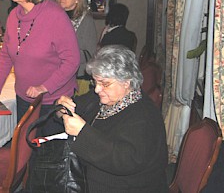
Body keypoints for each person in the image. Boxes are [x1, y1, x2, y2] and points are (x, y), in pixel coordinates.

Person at [0, 0, 80, 136]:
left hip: (54, 100)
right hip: (24, 97)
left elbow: (72, 61)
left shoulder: (55, 15)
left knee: (47, 156)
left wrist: (44, 87)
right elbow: (6, 55)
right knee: (26, 153)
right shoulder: (14, 15)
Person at [57, 45, 168, 192]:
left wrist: (82, 132)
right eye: (95, 82)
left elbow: (125, 160)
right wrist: (61, 108)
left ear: (126, 81)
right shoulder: (102, 98)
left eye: (105, 84)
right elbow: (70, 108)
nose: (97, 89)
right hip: (84, 177)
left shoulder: (144, 116)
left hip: (126, 186)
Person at [56, 0, 98, 93]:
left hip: (79, 76)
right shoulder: (57, 18)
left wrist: (62, 53)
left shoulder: (86, 20)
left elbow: (90, 54)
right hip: (58, 74)